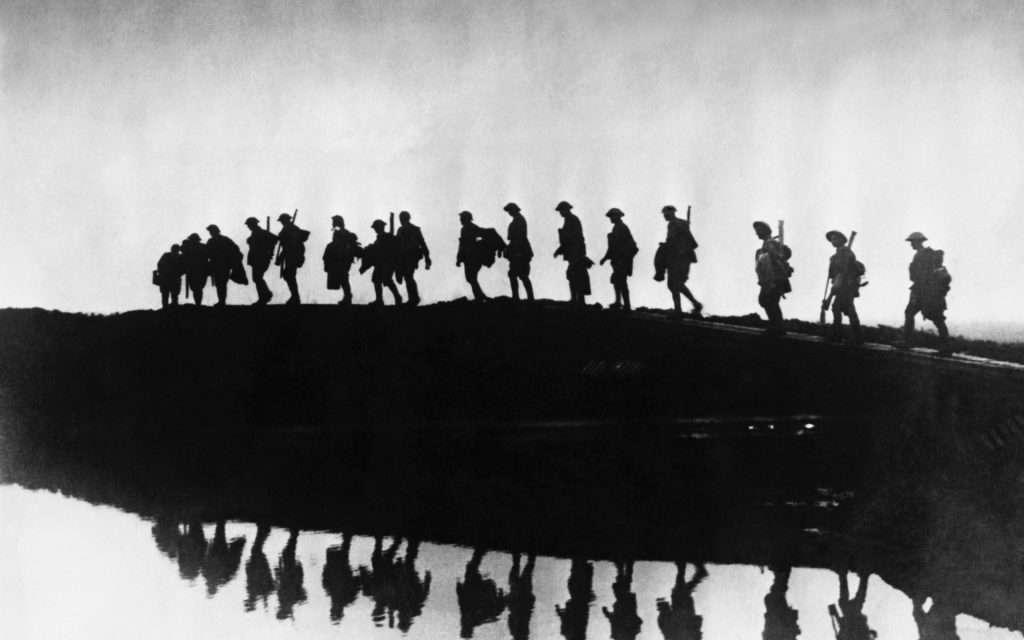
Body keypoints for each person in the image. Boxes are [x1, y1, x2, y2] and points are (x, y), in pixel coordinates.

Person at [900, 231, 952, 355]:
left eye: (912, 242)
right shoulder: (926, 255)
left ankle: (907, 342)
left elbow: (917, 276)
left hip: (924, 292)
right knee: (931, 316)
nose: (911, 244)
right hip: (927, 291)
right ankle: (946, 346)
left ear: (918, 242)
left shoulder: (921, 256)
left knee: (934, 317)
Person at [656, 205, 703, 316]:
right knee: (678, 284)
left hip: (677, 258)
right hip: (685, 258)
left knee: (673, 284)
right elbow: (692, 243)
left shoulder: (673, 224)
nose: (664, 216)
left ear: (670, 213)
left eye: (665, 214)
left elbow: (671, 241)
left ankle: (678, 310)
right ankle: (696, 304)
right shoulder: (682, 223)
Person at [823, 231, 863, 343]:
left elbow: (844, 270)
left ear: (841, 240)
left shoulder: (845, 253)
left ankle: (838, 335)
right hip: (842, 285)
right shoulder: (839, 253)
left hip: (847, 285)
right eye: (831, 239)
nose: (832, 241)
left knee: (837, 307)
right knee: (848, 309)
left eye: (835, 238)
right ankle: (857, 336)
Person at [753, 221, 792, 335]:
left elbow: (778, 259)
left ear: (765, 230)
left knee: (769, 300)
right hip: (768, 279)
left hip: (774, 278)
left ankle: (778, 326)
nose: (757, 233)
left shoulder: (771, 244)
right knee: (766, 300)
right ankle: (776, 325)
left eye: (759, 230)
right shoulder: (767, 244)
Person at [553, 201, 592, 306]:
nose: (560, 212)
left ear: (566, 209)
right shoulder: (569, 220)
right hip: (573, 252)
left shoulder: (573, 220)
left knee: (577, 275)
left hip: (576, 252)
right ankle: (575, 299)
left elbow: (573, 238)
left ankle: (579, 300)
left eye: (561, 210)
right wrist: (560, 249)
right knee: (573, 275)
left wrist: (561, 249)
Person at [599, 208, 638, 311]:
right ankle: (618, 302)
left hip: (622, 260)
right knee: (617, 281)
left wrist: (606, 258)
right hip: (617, 259)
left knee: (621, 282)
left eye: (612, 216)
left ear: (617, 216)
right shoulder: (617, 227)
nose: (610, 218)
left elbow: (628, 245)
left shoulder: (622, 228)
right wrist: (606, 258)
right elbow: (612, 247)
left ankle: (627, 305)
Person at [360, 219, 402, 305]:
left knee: (380, 280)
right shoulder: (380, 237)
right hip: (382, 263)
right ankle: (391, 297)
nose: (375, 229)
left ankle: (384, 299)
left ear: (379, 227)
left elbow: (386, 250)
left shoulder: (386, 237)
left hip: (386, 263)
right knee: (384, 280)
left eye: (375, 227)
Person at [395, 211, 432, 306]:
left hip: (412, 255)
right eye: (401, 218)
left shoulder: (414, 229)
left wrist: (427, 257)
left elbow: (422, 243)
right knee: (407, 277)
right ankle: (413, 298)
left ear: (407, 218)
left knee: (408, 276)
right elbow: (397, 244)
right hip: (403, 257)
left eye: (403, 218)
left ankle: (414, 298)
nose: (401, 220)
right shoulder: (400, 230)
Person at [323, 215, 361, 305]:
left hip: (342, 259)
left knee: (343, 278)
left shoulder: (343, 233)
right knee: (342, 278)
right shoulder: (341, 232)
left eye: (334, 222)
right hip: (340, 259)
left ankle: (348, 297)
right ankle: (347, 296)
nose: (332, 223)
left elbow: (341, 245)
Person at [206, 224, 244, 306]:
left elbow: (235, 250)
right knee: (220, 284)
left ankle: (222, 301)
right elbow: (206, 253)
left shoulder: (223, 240)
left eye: (211, 231)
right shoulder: (212, 241)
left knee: (221, 284)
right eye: (210, 231)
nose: (211, 233)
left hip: (224, 265)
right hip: (217, 266)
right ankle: (221, 301)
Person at [504, 202, 534, 301]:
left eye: (510, 210)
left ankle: (523, 298)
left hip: (521, 252)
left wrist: (516, 252)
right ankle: (521, 297)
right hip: (519, 251)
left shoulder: (519, 221)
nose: (509, 212)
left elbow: (518, 238)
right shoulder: (517, 220)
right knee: (516, 274)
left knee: (521, 275)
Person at [276, 213, 310, 305]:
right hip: (291, 254)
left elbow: (289, 245)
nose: (281, 223)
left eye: (282, 221)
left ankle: (295, 297)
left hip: (293, 254)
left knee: (289, 275)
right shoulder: (289, 228)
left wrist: (281, 257)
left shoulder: (291, 229)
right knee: (289, 275)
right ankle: (295, 296)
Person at [245, 217, 277, 305]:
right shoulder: (255, 233)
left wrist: (269, 251)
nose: (248, 226)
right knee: (257, 278)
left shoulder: (261, 233)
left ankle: (265, 296)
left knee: (257, 278)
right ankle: (264, 296)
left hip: (261, 258)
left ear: (253, 224)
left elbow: (275, 239)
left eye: (249, 225)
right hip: (256, 259)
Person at [456, 211, 488, 301]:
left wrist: (458, 259)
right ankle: (480, 296)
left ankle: (480, 297)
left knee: (470, 277)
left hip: (470, 257)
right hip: (476, 257)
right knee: (472, 278)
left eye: (461, 218)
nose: (460, 220)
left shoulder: (465, 229)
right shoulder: (474, 227)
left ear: (465, 218)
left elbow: (463, 245)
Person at [180, 233, 208, 306]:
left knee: (197, 288)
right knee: (197, 288)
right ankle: (198, 304)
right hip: (198, 271)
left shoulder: (190, 247)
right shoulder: (202, 247)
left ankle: (198, 304)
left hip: (197, 271)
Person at [156, 244, 183, 308]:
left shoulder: (179, 257)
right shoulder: (167, 256)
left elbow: (159, 265)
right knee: (167, 295)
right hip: (167, 279)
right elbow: (159, 265)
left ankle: (170, 308)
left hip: (172, 279)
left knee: (172, 295)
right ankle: (167, 309)